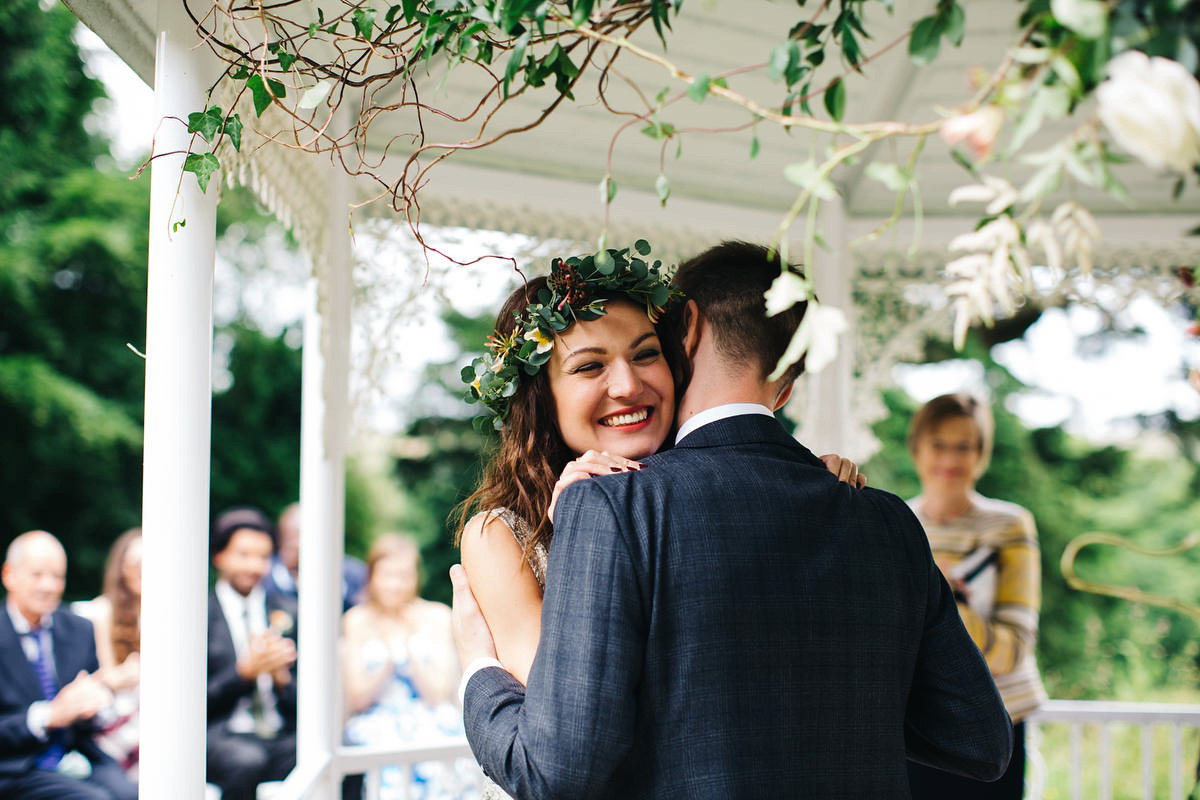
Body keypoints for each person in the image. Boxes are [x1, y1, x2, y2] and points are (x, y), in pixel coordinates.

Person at [451, 240, 1013, 798]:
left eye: (649, 353)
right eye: (590, 366)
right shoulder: (885, 518)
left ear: (684, 334)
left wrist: (477, 667)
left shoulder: (623, 509)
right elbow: (977, 740)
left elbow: (562, 764)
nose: (627, 383)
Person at [905, 393, 1047, 798]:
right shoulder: (897, 522)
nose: (950, 458)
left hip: (998, 722)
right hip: (919, 726)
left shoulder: (1009, 524)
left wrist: (943, 602)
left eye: (964, 446)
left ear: (981, 454)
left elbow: (1013, 649)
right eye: (939, 444)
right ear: (917, 449)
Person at [0, 530, 138, 800]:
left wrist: (99, 698)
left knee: (133, 794)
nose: (49, 586)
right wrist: (49, 716)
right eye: (38, 575)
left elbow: (96, 710)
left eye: (57, 576)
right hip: (16, 765)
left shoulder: (79, 629)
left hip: (78, 754)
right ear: (9, 575)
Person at [341, 534, 477, 799]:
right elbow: (358, 699)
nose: (395, 584)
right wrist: (389, 653)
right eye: (387, 575)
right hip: (377, 721)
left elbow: (439, 694)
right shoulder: (357, 620)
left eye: (403, 575)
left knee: (445, 754)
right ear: (373, 576)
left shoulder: (436, 616)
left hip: (431, 715)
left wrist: (410, 642)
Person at [206, 506, 299, 800]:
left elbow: (310, 702)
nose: (254, 567)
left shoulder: (289, 611)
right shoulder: (199, 614)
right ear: (218, 556)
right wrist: (244, 673)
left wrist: (282, 678)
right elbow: (190, 702)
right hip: (222, 735)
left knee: (334, 751)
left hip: (278, 733)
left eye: (263, 557)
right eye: (244, 555)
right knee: (246, 762)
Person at [88, 528, 143, 779]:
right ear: (121, 567)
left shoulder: (170, 613)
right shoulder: (102, 611)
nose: (142, 571)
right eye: (135, 564)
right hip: (114, 715)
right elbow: (102, 679)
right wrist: (129, 673)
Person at [263, 502, 367, 611]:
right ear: (280, 544)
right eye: (293, 546)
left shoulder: (354, 576)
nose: (303, 556)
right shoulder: (266, 576)